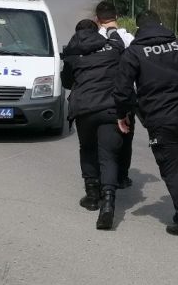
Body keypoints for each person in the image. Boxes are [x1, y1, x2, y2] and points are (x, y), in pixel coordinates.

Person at [114, 10, 178, 239]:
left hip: (160, 119)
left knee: (170, 168)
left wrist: (123, 114)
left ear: (138, 28)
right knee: (177, 160)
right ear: (160, 23)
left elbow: (121, 90)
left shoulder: (134, 52)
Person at [61, 19, 126, 230]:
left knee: (88, 149)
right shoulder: (111, 48)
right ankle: (108, 203)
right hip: (109, 107)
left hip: (85, 109)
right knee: (108, 155)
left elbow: (66, 82)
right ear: (96, 31)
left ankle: (91, 197)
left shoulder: (72, 53)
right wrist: (112, 31)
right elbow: (120, 46)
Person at [95, 1, 135, 189]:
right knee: (126, 138)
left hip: (101, 95)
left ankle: (101, 177)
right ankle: (121, 176)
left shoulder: (94, 39)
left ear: (97, 19)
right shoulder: (128, 39)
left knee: (100, 141)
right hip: (127, 96)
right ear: (116, 17)